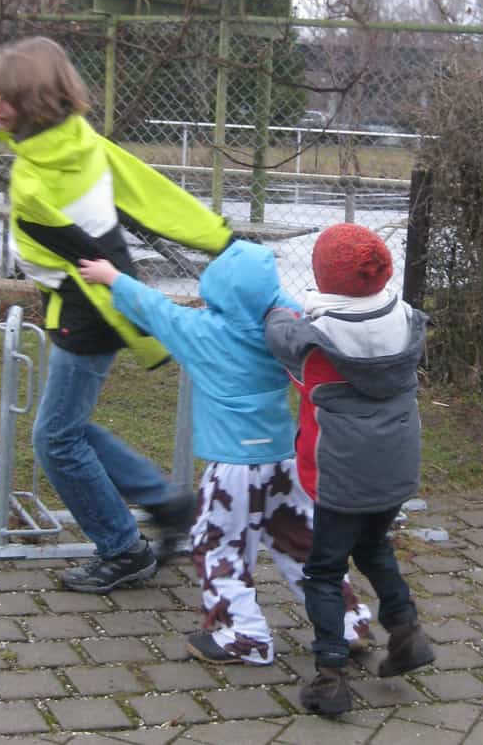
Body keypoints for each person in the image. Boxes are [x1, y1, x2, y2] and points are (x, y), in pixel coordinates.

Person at [0, 35, 235, 594]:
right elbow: (151, 195)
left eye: (5, 95)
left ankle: (123, 548)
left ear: (33, 102)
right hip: (83, 305)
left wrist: (221, 241)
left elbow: (123, 219)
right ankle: (167, 503)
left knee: (56, 440)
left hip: (88, 311)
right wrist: (217, 235)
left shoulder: (38, 176)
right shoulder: (79, 142)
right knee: (66, 428)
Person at [78, 239, 374, 666]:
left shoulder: (204, 333)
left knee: (217, 545)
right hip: (283, 461)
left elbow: (155, 310)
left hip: (234, 470)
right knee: (301, 543)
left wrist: (112, 278)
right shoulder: (283, 326)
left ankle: (244, 635)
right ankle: (347, 622)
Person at [264, 223, 435, 714]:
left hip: (339, 478)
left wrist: (274, 308)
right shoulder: (407, 319)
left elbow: (278, 332)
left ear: (322, 275)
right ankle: (406, 633)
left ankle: (330, 676)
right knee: (374, 545)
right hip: (395, 469)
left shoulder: (314, 341)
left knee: (323, 572)